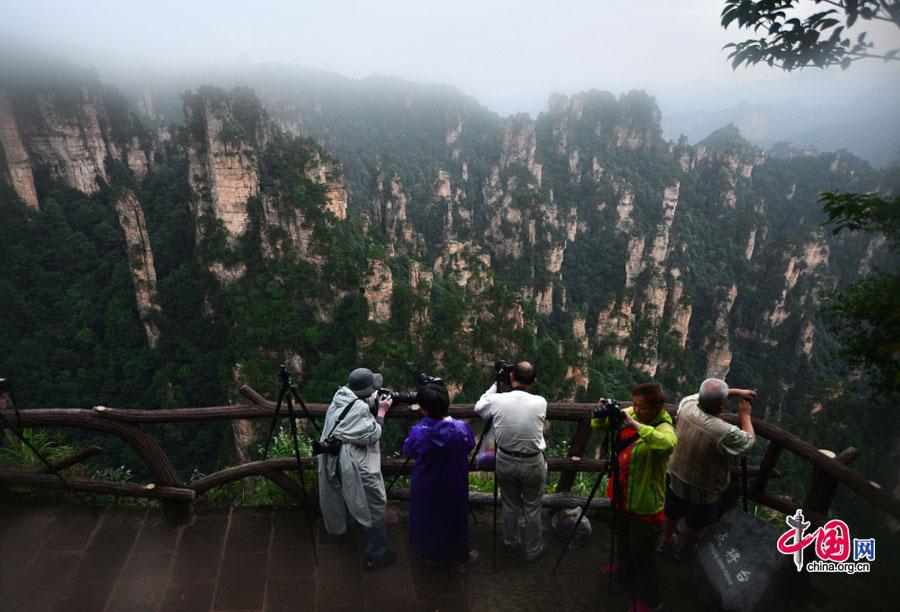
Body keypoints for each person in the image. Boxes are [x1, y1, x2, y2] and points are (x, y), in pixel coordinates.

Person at [592, 383, 676, 612]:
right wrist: (602, 416)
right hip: (622, 493)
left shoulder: (664, 427)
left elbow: (668, 444)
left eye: (642, 407)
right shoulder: (630, 413)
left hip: (645, 503)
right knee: (622, 535)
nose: (636, 410)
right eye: (635, 405)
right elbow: (599, 427)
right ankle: (624, 570)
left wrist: (637, 426)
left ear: (657, 408)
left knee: (644, 553)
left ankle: (652, 601)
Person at [660, 378, 756, 560]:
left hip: (676, 474)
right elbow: (748, 443)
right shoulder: (724, 432)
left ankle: (665, 541)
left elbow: (701, 396)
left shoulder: (686, 405)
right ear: (721, 406)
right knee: (696, 523)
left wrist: (734, 391)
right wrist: (745, 416)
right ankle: (683, 550)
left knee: (672, 512)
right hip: (703, 488)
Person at [317, 367, 397, 571]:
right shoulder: (360, 410)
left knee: (345, 495)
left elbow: (355, 409)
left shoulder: (340, 396)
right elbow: (372, 433)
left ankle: (346, 530)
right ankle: (375, 555)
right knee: (374, 505)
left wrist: (372, 400)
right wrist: (381, 412)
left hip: (334, 460)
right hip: (353, 464)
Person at [474, 361, 547, 561]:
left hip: (505, 459)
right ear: (534, 381)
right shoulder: (541, 402)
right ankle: (533, 549)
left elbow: (479, 408)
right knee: (532, 507)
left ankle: (510, 542)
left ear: (511, 377)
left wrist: (496, 384)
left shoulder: (497, 401)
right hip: (532, 461)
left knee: (509, 504)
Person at [402, 383, 478, 571]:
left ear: (424, 409)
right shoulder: (462, 429)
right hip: (454, 483)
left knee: (427, 518)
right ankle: (462, 558)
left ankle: (432, 556)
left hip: (426, 486)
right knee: (456, 518)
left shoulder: (418, 433)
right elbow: (469, 446)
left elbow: (408, 450)